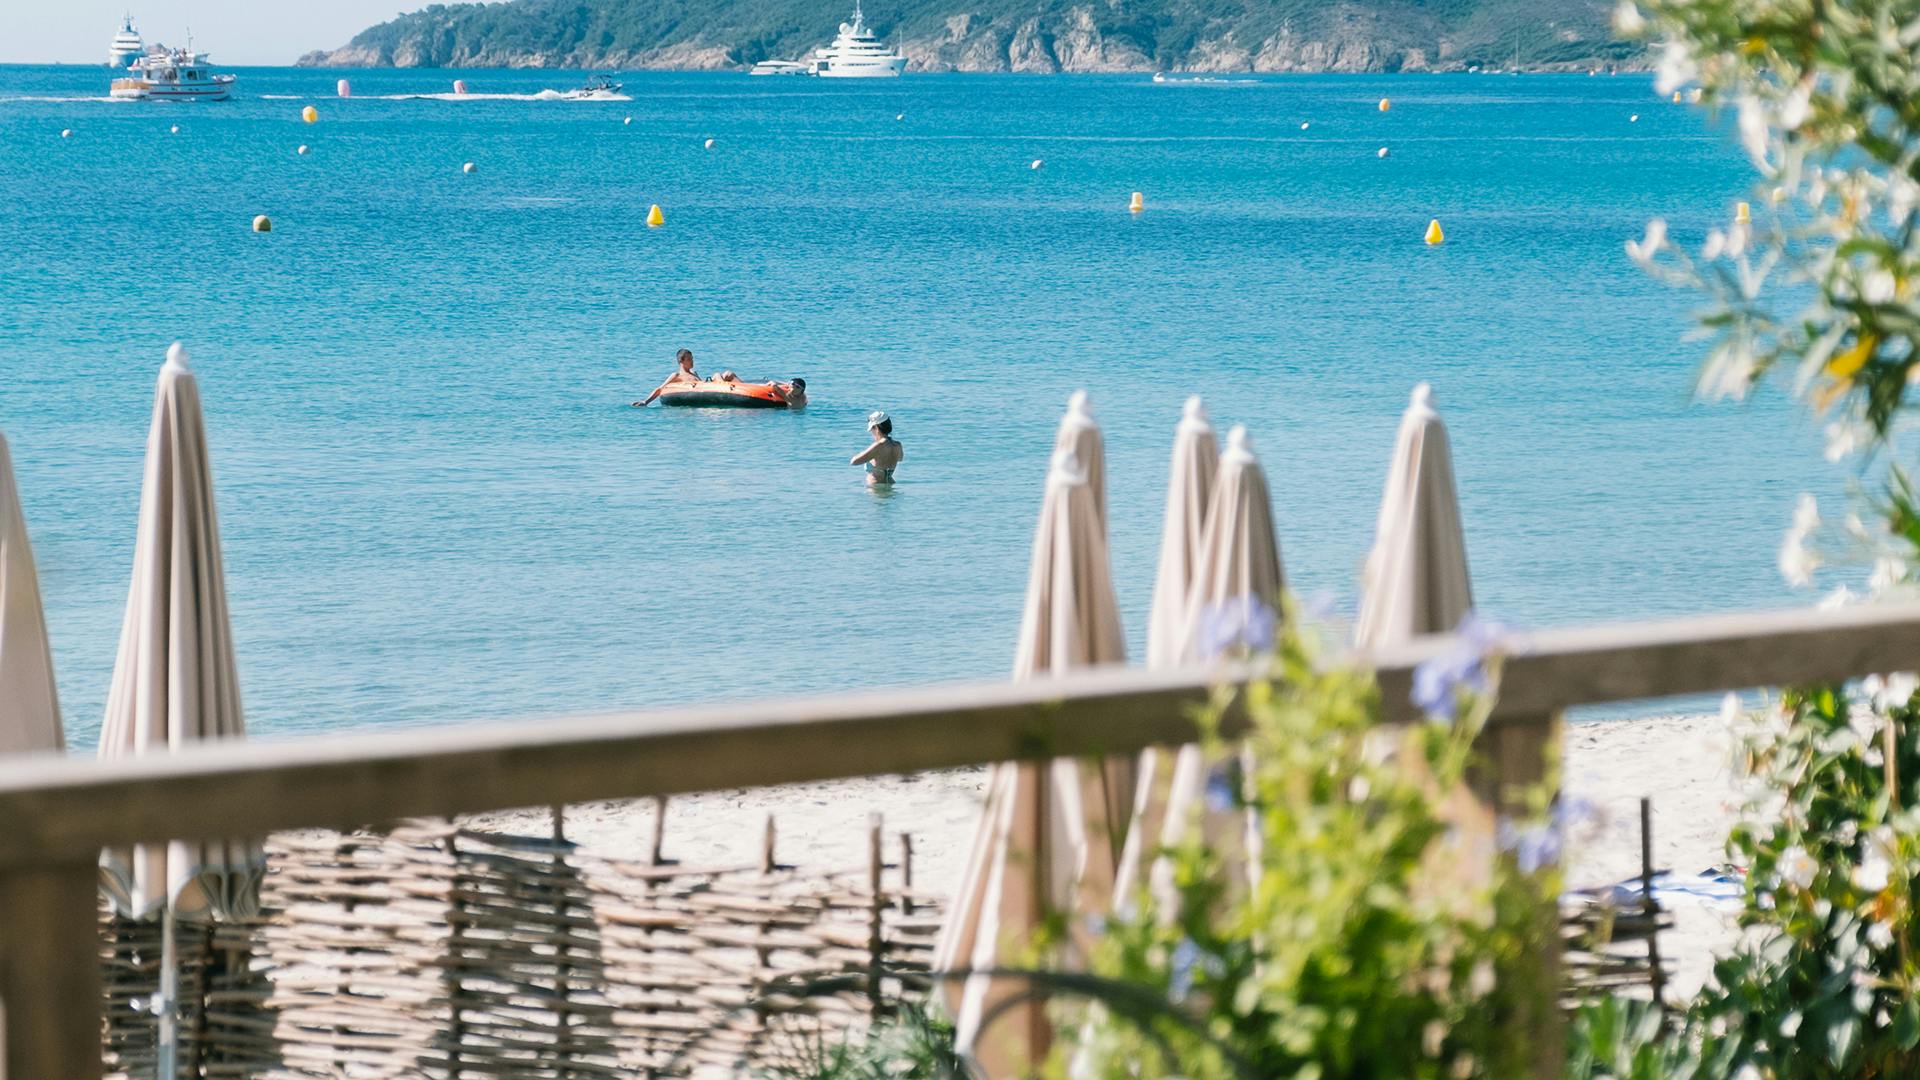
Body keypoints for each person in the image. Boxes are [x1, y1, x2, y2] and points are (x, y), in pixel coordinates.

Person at [851, 411, 903, 485]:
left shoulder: (878, 445)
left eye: (872, 429)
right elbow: (900, 459)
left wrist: (867, 455)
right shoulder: (898, 445)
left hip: (876, 486)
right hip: (890, 483)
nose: (871, 432)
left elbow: (853, 461)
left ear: (876, 428)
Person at [636, 349, 700, 406]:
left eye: (692, 359)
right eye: (689, 359)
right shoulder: (676, 375)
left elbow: (704, 387)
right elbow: (660, 389)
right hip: (687, 401)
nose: (692, 361)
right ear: (681, 361)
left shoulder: (694, 373)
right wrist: (645, 402)